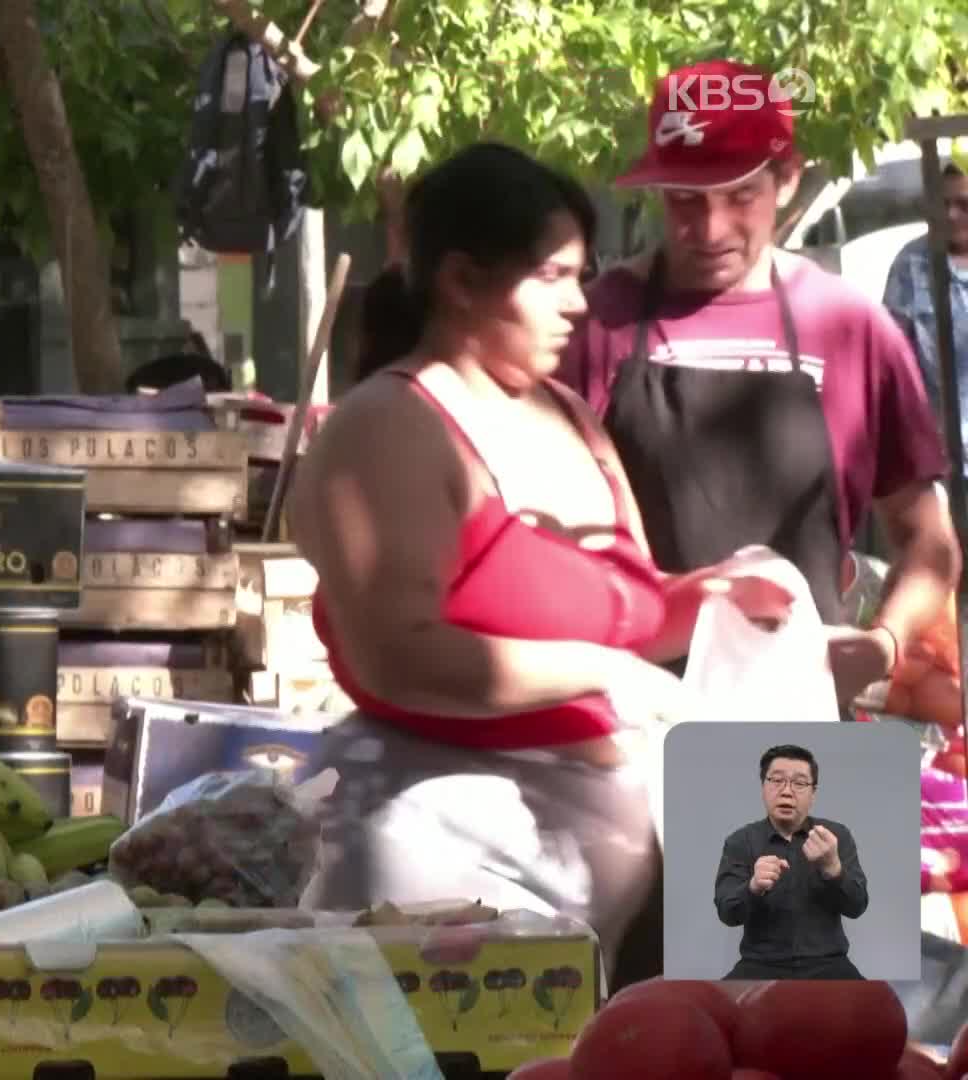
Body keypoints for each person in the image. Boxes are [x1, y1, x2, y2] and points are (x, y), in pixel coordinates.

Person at [288, 142, 791, 982]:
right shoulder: (389, 424)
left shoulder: (567, 413)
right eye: (554, 276)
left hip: (600, 880)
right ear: (460, 281)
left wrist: (710, 601)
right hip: (426, 863)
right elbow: (399, 653)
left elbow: (623, 613)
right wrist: (603, 672)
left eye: (581, 275)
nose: (581, 304)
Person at [558, 60, 961, 707]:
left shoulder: (850, 327)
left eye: (740, 196)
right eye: (686, 200)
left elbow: (928, 540)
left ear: (787, 179)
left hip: (799, 709)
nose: (711, 229)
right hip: (624, 712)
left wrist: (882, 644)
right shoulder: (591, 321)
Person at [714, 743, 868, 979]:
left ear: (813, 793)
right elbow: (727, 913)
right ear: (763, 787)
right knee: (712, 1009)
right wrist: (753, 887)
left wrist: (833, 870)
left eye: (799, 783)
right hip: (759, 966)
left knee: (877, 1008)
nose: (786, 791)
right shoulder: (740, 841)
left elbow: (857, 906)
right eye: (776, 780)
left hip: (829, 964)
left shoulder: (835, 836)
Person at [882, 162, 968, 467]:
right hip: (942, 456)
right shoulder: (912, 263)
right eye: (943, 204)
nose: (951, 215)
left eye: (963, 204)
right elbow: (892, 358)